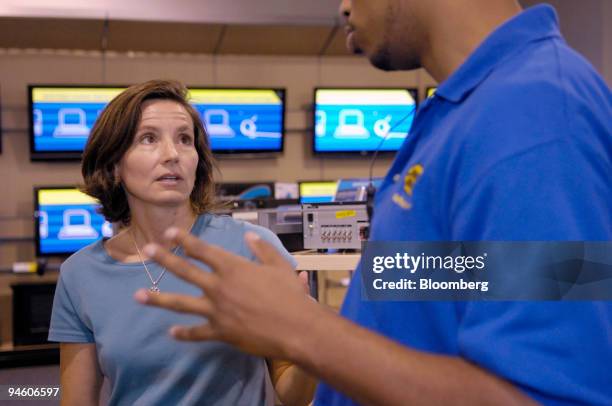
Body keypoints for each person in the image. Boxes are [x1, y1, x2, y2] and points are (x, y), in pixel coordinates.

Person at [137, 1, 612, 405]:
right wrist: (300, 311)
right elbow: (470, 280)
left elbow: (545, 395)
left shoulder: (537, 114)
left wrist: (300, 329)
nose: (342, 7)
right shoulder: (467, 111)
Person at [48, 80, 316, 406]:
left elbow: (295, 395)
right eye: (148, 138)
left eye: (185, 140)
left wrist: (311, 344)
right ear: (114, 164)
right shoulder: (80, 274)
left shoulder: (253, 247)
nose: (172, 154)